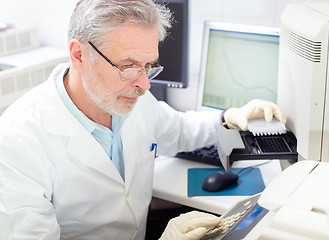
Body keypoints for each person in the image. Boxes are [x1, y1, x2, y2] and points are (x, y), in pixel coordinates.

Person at [0, 0, 286, 239]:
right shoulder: (18, 141)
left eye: (148, 66)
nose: (145, 84)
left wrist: (228, 117)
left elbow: (178, 130)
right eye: (128, 66)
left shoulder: (130, 97)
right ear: (79, 55)